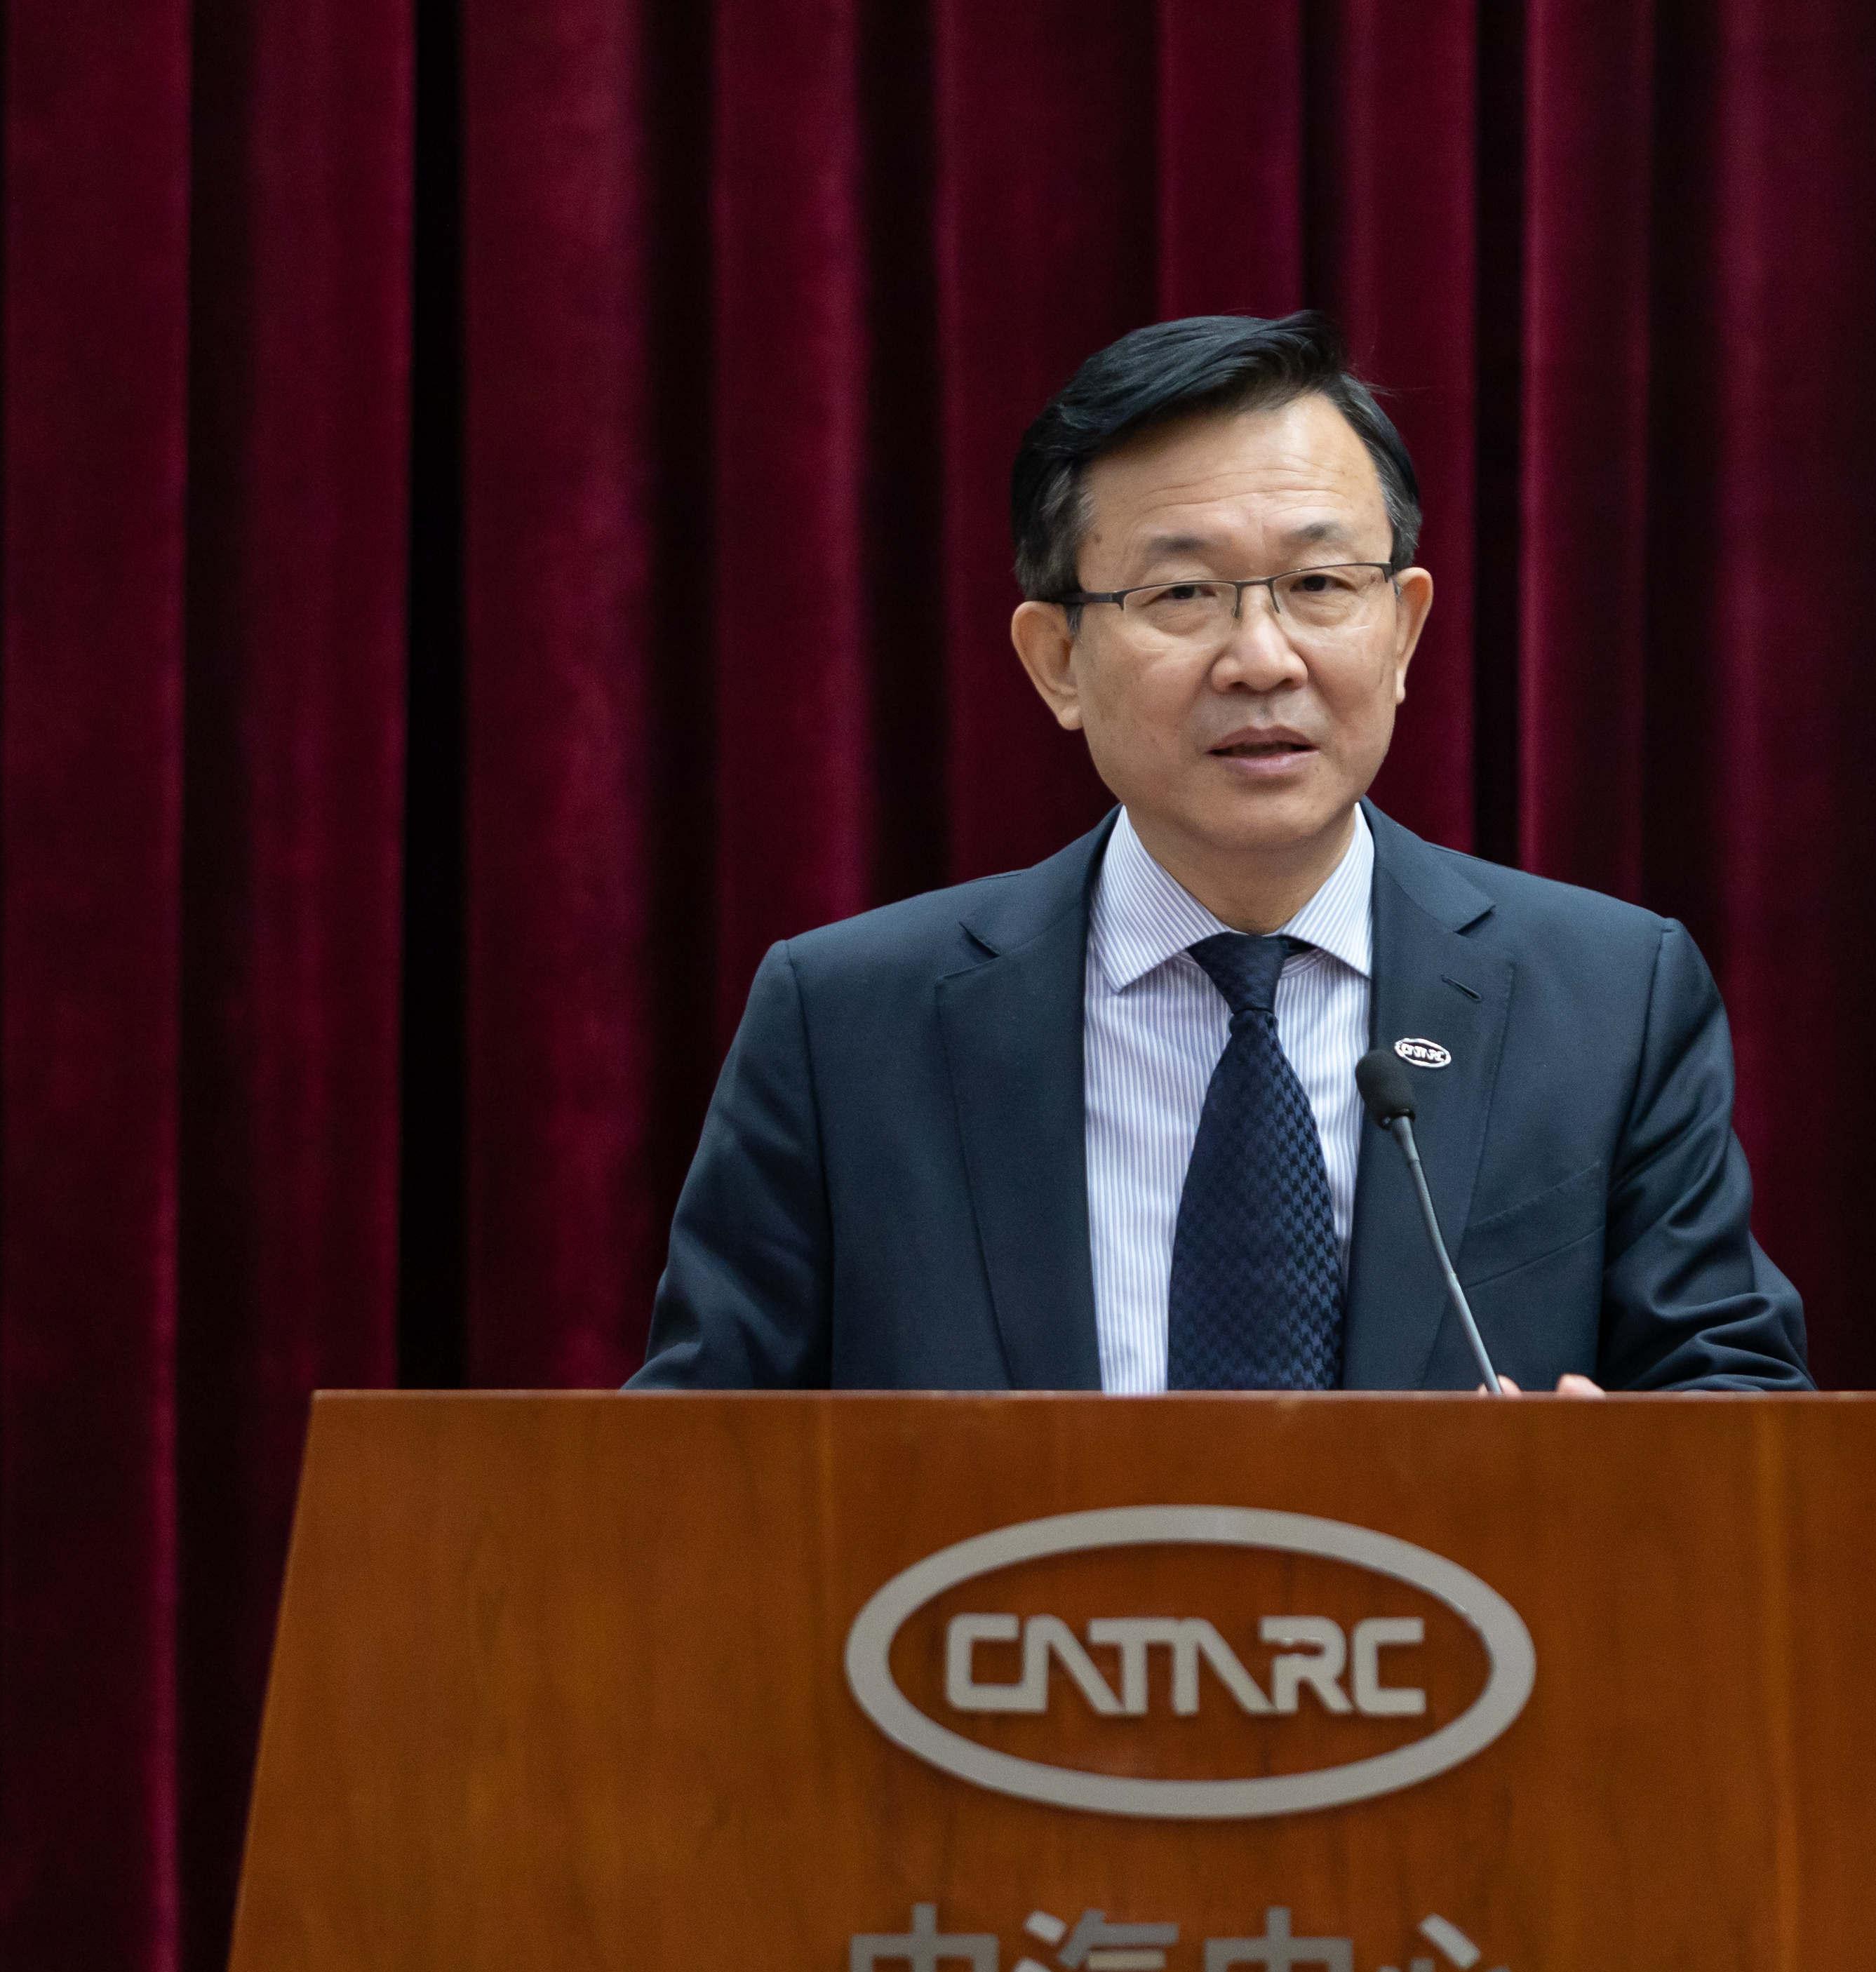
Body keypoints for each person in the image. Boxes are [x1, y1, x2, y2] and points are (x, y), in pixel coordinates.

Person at [633, 311, 1809, 1393]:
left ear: (1403, 631)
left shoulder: (1607, 998)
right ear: (1055, 661)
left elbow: (1741, 1404)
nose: (1261, 659)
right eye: (1183, 593)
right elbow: (688, 1466)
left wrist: (1622, 1474)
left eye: (1317, 584)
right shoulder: (846, 1023)